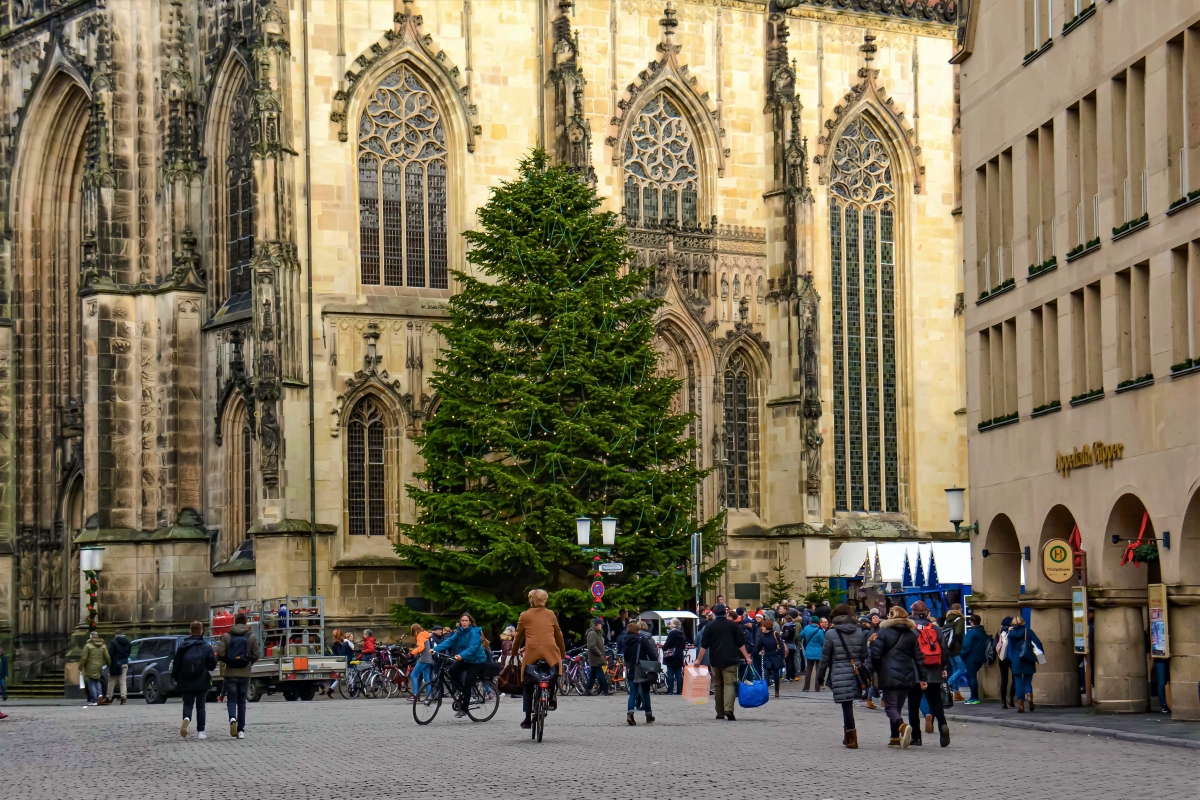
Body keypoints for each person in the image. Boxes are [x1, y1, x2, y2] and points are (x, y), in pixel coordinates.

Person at [868, 606, 923, 748]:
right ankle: (894, 737)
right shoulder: (911, 634)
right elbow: (918, 657)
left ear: (891, 616)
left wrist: (875, 670)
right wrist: (922, 677)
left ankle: (902, 726)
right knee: (897, 706)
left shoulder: (883, 632)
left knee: (890, 707)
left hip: (888, 673)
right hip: (907, 673)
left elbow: (876, 655)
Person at [511, 588, 567, 730]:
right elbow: (558, 634)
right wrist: (562, 652)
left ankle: (527, 718)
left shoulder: (525, 615)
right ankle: (552, 696)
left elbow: (518, 636)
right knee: (553, 673)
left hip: (532, 652)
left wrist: (514, 652)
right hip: (550, 651)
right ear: (544, 600)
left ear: (531, 600)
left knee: (527, 682)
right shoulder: (550, 614)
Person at [820, 603, 869, 748]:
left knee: (846, 704)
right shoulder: (859, 632)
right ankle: (848, 736)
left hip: (839, 671)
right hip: (855, 672)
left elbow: (825, 658)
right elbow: (864, 654)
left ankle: (851, 737)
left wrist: (820, 676)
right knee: (848, 704)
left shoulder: (831, 634)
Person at [694, 604, 752, 721]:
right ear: (726, 613)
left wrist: (698, 660)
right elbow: (740, 643)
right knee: (729, 685)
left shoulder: (709, 626)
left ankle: (719, 713)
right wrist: (747, 657)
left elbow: (704, 645)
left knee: (718, 686)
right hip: (730, 660)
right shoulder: (732, 625)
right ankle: (728, 709)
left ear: (714, 613)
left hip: (715, 660)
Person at [909, 600, 950, 746]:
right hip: (934, 671)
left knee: (913, 705)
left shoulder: (910, 629)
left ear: (913, 613)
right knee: (936, 701)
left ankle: (916, 737)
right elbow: (944, 650)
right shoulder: (936, 629)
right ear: (927, 613)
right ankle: (943, 725)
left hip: (915, 672)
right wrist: (942, 667)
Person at [433, 613, 488, 717]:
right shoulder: (460, 631)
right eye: (462, 621)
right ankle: (463, 691)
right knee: (451, 671)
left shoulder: (474, 632)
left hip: (476, 660)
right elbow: (450, 641)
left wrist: (461, 655)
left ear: (470, 622)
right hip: (465, 658)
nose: (464, 623)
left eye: (466, 621)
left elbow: (473, 647)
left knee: (468, 683)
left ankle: (464, 709)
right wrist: (435, 649)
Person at [217, 612, 261, 739]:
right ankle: (241, 730)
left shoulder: (227, 636)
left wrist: (228, 660)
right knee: (242, 702)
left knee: (231, 699)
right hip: (245, 673)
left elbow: (220, 653)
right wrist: (248, 662)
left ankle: (232, 718)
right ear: (246, 622)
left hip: (230, 673)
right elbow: (256, 654)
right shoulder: (251, 637)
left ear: (234, 622)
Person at [173, 621, 218, 739]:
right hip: (202, 680)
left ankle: (186, 718)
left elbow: (176, 665)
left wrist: (178, 679)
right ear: (201, 631)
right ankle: (201, 731)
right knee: (201, 706)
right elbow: (212, 666)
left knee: (187, 704)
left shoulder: (182, 647)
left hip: (186, 680)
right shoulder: (206, 647)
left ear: (190, 631)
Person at [624, 621, 660, 725]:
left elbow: (625, 656)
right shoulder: (642, 639)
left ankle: (630, 714)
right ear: (637, 630)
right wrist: (654, 663)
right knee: (645, 692)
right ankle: (648, 715)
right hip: (642, 668)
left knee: (633, 692)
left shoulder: (625, 640)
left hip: (631, 668)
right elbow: (651, 653)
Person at [1004, 616, 1043, 713]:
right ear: (1022, 622)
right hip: (1028, 658)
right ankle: (1029, 696)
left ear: (1013, 623)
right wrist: (1039, 653)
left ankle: (1020, 705)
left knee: (1018, 682)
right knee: (1028, 681)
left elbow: (1008, 649)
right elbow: (1038, 643)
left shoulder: (1010, 634)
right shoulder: (1028, 631)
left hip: (1016, 660)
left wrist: (1012, 659)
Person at [752, 615, 786, 698]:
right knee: (766, 674)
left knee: (775, 674)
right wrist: (751, 654)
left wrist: (782, 658)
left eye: (763, 626)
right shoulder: (763, 636)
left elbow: (781, 647)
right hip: (767, 656)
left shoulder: (775, 634)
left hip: (776, 656)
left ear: (767, 627)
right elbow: (759, 647)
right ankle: (765, 691)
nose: (761, 628)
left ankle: (777, 691)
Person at [959, 615, 989, 705]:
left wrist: (962, 654)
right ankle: (973, 697)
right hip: (980, 657)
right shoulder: (983, 632)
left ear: (971, 622)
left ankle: (974, 697)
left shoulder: (971, 632)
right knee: (971, 675)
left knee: (971, 676)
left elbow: (966, 646)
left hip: (971, 657)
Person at [78, 630, 111, 706]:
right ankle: (100, 695)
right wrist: (109, 665)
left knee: (91, 683)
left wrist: (80, 667)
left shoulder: (88, 646)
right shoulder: (103, 646)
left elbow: (84, 658)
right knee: (97, 681)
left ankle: (94, 700)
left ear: (91, 637)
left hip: (90, 666)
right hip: (99, 666)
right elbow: (107, 657)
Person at [943, 603, 967, 700]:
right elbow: (958, 633)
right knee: (962, 669)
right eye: (961, 608)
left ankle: (956, 692)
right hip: (956, 648)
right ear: (958, 609)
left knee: (954, 669)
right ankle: (949, 682)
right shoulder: (960, 619)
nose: (962, 610)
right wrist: (961, 644)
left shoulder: (947, 620)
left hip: (948, 648)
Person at [584, 618, 612, 696]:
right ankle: (605, 690)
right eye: (600, 624)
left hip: (596, 658)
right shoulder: (592, 633)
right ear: (597, 625)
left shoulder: (596, 633)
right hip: (596, 658)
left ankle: (587, 689)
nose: (601, 626)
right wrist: (599, 653)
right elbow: (592, 646)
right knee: (601, 675)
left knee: (593, 675)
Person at [105, 629, 131, 705]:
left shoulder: (114, 642)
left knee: (112, 681)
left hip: (115, 663)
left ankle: (109, 698)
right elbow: (128, 652)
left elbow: (110, 654)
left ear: (116, 634)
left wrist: (109, 663)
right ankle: (123, 698)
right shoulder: (127, 642)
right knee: (123, 681)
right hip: (124, 663)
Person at [800, 615, 826, 691]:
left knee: (808, 670)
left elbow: (800, 635)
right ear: (818, 623)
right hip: (818, 652)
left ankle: (806, 687)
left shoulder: (806, 628)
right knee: (818, 670)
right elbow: (823, 642)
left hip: (809, 651)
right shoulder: (820, 631)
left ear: (810, 622)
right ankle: (817, 688)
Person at [662, 618, 687, 695]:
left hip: (671, 655)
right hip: (679, 655)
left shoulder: (672, 633)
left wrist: (664, 648)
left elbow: (667, 644)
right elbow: (683, 645)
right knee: (678, 673)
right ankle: (679, 690)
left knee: (670, 672)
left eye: (670, 623)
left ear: (674, 625)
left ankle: (670, 690)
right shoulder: (681, 633)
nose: (669, 625)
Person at [995, 616, 1016, 709]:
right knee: (1015, 678)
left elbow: (994, 645)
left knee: (1004, 679)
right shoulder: (1014, 632)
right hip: (1013, 658)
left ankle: (1003, 701)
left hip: (1002, 658)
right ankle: (1011, 698)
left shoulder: (999, 632)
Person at [408, 624, 434, 698]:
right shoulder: (425, 635)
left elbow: (421, 647)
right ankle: (429, 696)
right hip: (429, 658)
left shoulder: (419, 636)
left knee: (413, 675)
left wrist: (413, 652)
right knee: (427, 678)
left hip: (424, 659)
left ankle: (415, 694)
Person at [781, 610, 799, 681]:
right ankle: (792, 676)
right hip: (793, 645)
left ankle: (788, 677)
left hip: (787, 645)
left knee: (788, 661)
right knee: (792, 661)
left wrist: (781, 635)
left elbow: (786, 635)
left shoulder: (787, 627)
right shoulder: (793, 626)